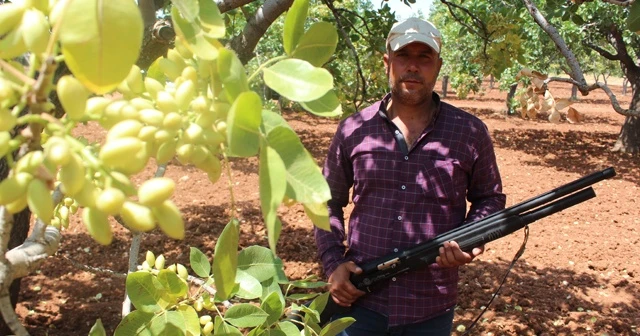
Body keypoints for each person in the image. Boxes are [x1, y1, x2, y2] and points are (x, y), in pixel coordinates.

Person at [314, 17, 506, 336]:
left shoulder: (470, 132)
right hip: (360, 306)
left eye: (424, 57)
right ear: (387, 62)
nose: (413, 67)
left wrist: (473, 236)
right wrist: (333, 263)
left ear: (438, 65)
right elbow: (325, 201)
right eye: (404, 56)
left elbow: (491, 198)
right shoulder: (353, 129)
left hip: (430, 309)